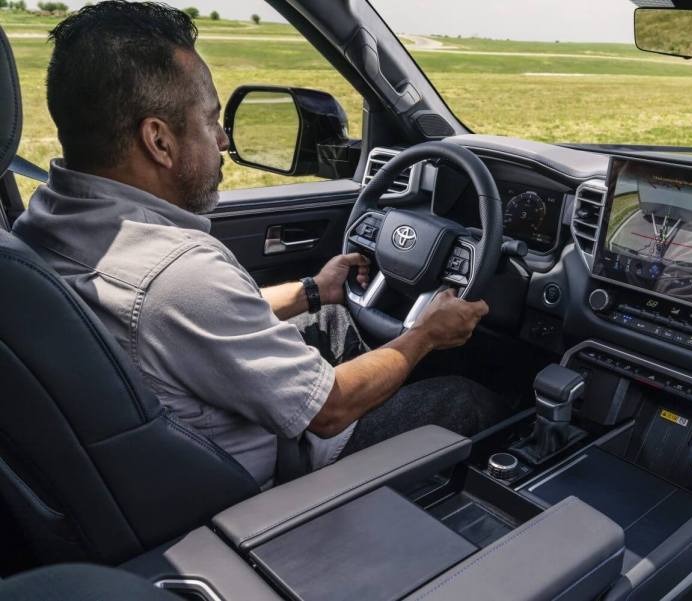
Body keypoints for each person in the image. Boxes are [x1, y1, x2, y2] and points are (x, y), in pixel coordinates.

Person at [12, 1, 508, 489]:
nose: (224, 140)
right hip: (274, 479)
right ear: (158, 142)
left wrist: (314, 289)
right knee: (466, 399)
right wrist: (425, 334)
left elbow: (184, 322)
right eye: (210, 120)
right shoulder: (177, 273)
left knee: (332, 318)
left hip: (161, 453)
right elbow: (330, 410)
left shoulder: (44, 220)